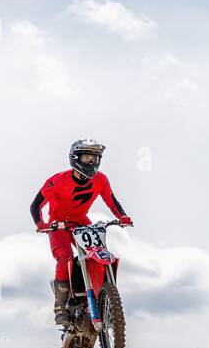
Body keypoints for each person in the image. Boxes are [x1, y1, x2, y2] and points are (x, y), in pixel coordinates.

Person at [30, 139, 133, 325]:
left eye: (95, 159)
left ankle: (102, 296)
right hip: (59, 224)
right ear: (75, 158)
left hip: (81, 222)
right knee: (65, 256)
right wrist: (41, 223)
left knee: (98, 253)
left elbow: (111, 200)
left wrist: (123, 216)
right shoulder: (57, 180)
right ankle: (60, 307)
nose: (92, 163)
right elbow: (36, 205)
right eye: (87, 158)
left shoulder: (101, 179)